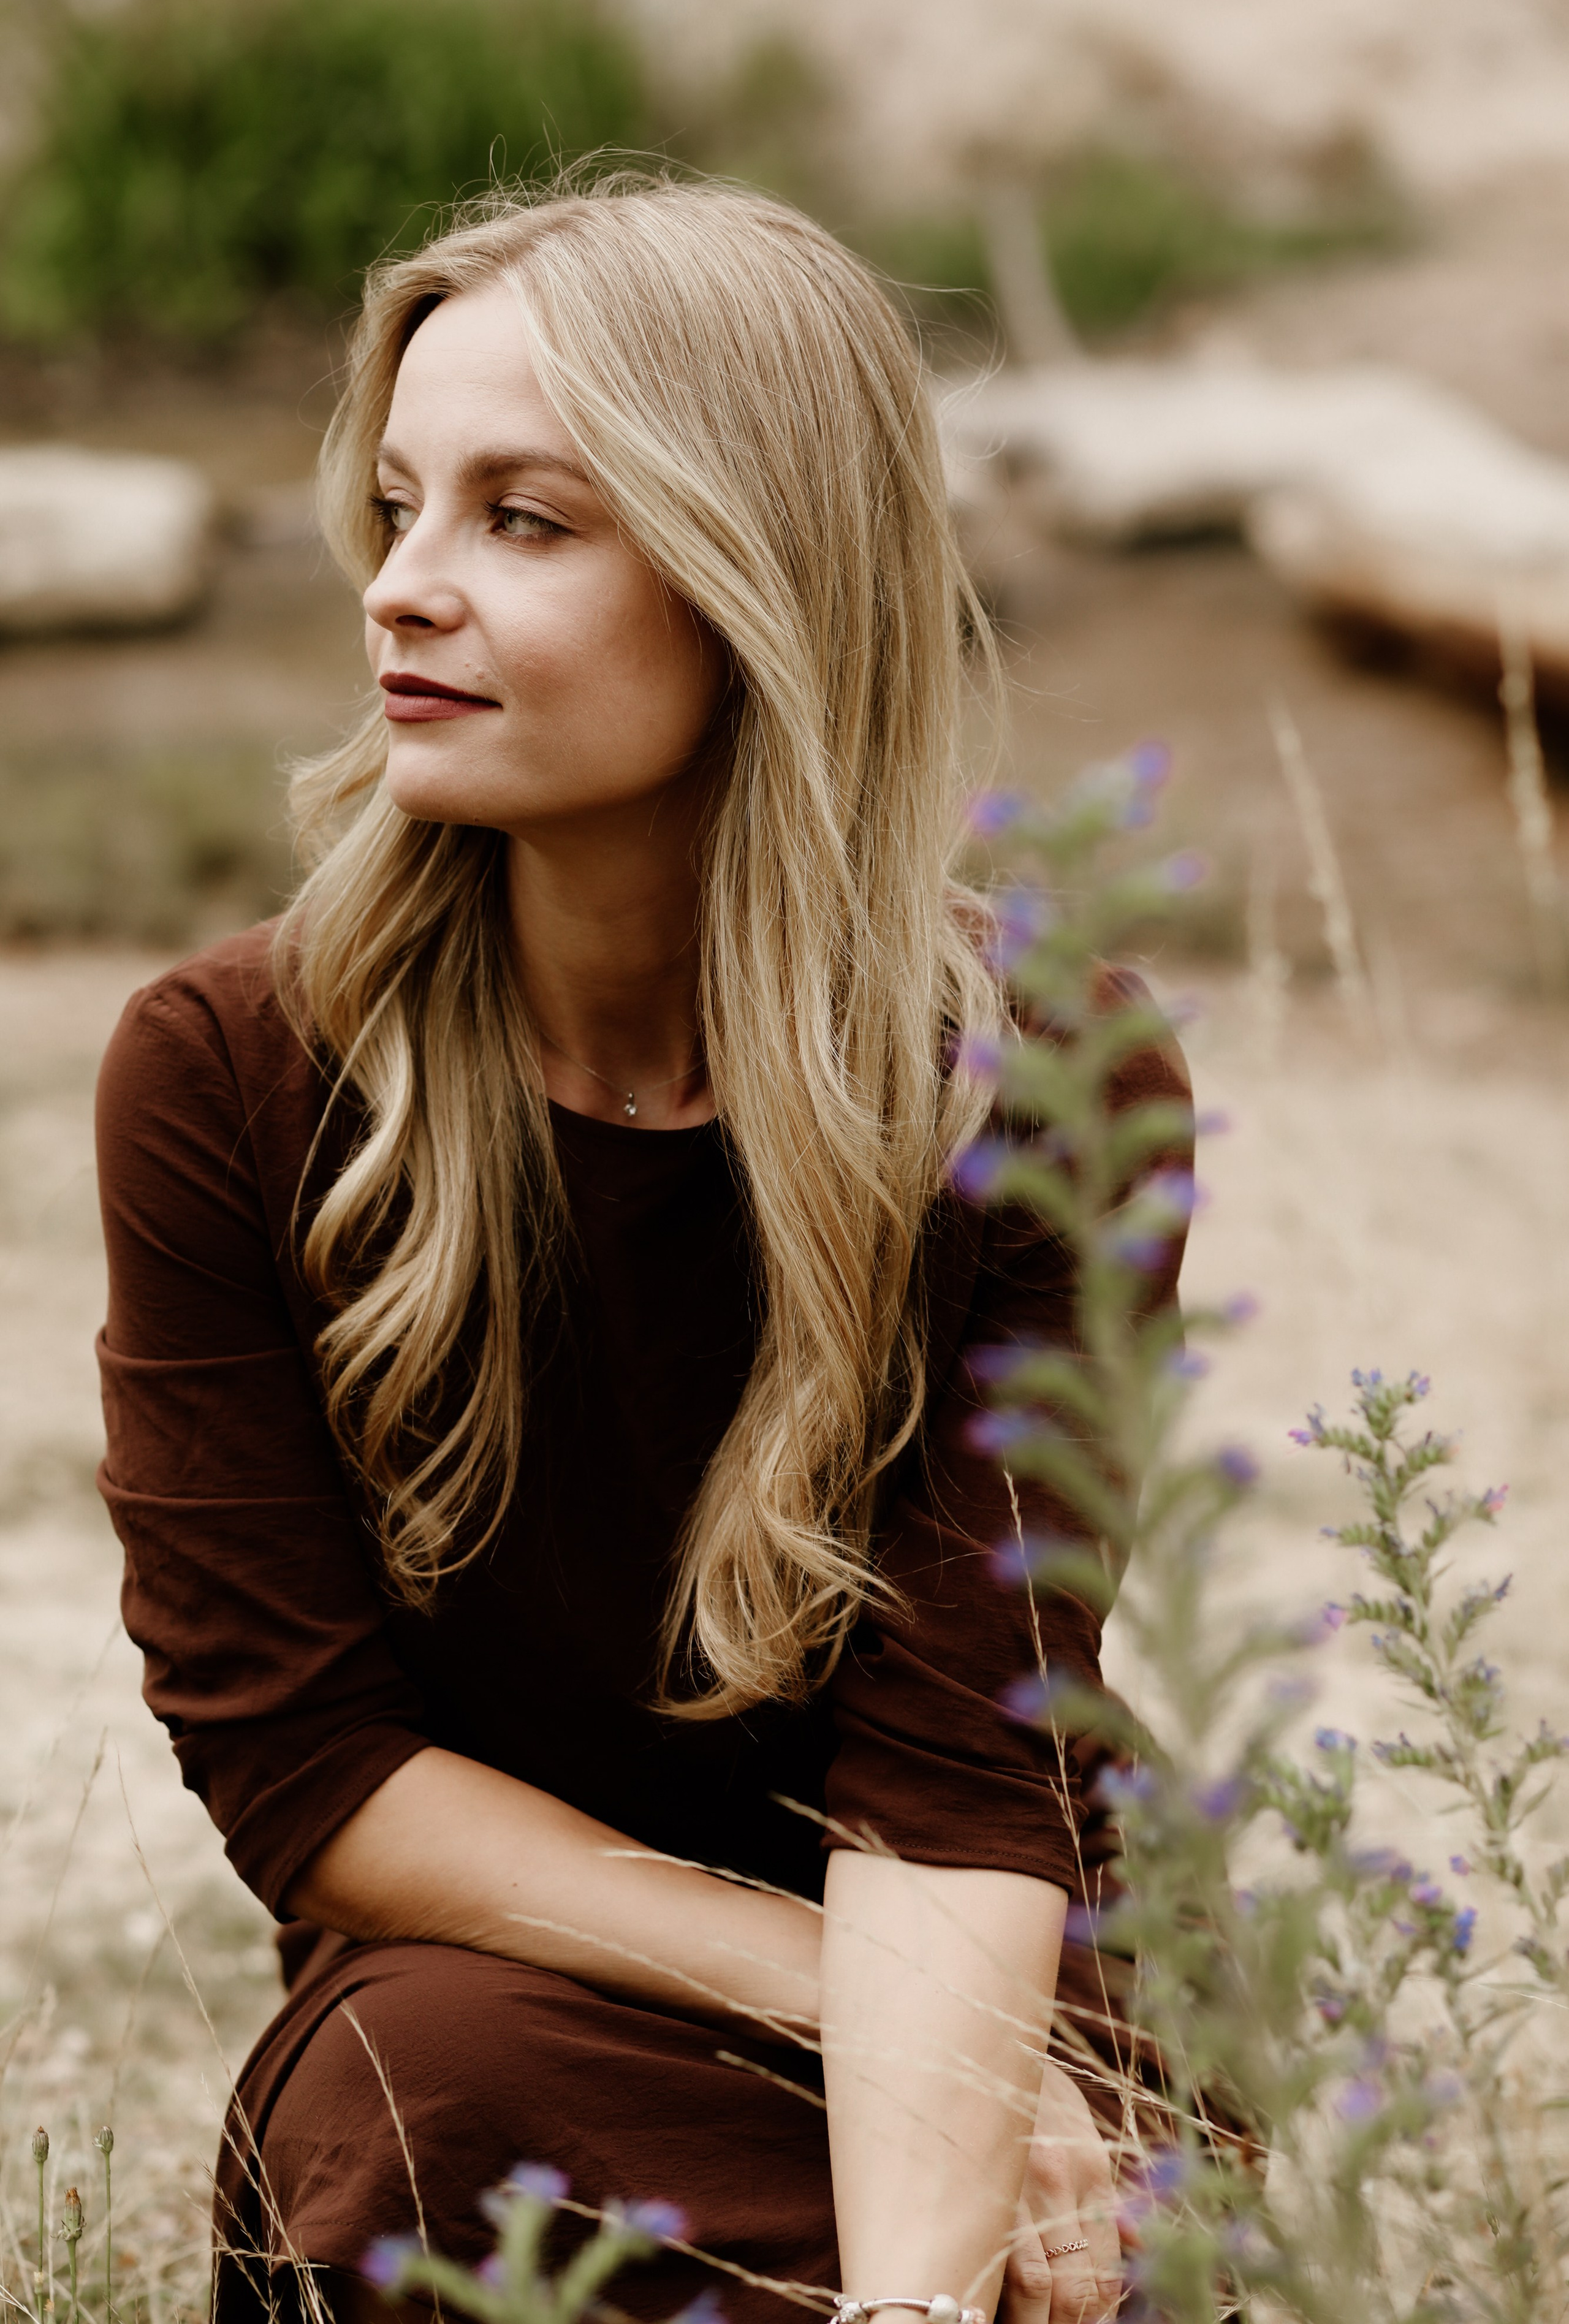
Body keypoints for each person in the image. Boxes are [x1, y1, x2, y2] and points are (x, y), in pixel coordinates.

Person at [96, 175, 1190, 2324]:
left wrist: (921, 2270)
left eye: (525, 520)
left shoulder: (1032, 1079)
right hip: (522, 1997)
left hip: (998, 1984)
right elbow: (304, 1769)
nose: (404, 590)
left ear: (752, 575)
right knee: (423, 2120)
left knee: (1078, 2251)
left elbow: (964, 1776)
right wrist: (819, 1991)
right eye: (402, 505)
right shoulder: (228, 1072)